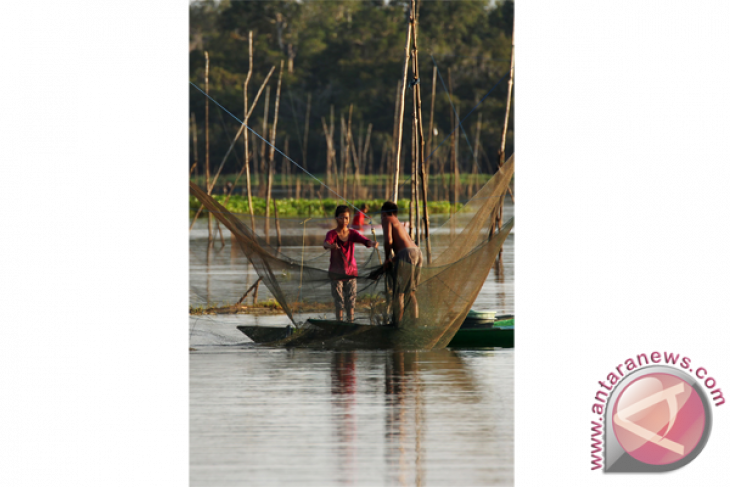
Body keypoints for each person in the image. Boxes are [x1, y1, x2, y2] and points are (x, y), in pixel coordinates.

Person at [324, 205, 379, 322]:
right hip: (336, 274)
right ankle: (340, 324)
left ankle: (351, 323)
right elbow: (326, 244)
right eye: (341, 218)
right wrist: (331, 246)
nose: (344, 221)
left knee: (351, 302)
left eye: (347, 218)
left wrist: (372, 243)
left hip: (351, 273)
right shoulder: (332, 234)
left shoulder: (352, 233)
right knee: (339, 302)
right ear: (336, 218)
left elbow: (364, 240)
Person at [380, 201, 423, 324]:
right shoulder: (398, 222)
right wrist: (392, 259)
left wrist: (387, 256)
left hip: (407, 254)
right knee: (411, 292)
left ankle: (397, 323)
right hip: (417, 253)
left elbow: (388, 241)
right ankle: (414, 322)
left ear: (384, 213)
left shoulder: (387, 219)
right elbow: (403, 248)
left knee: (400, 292)